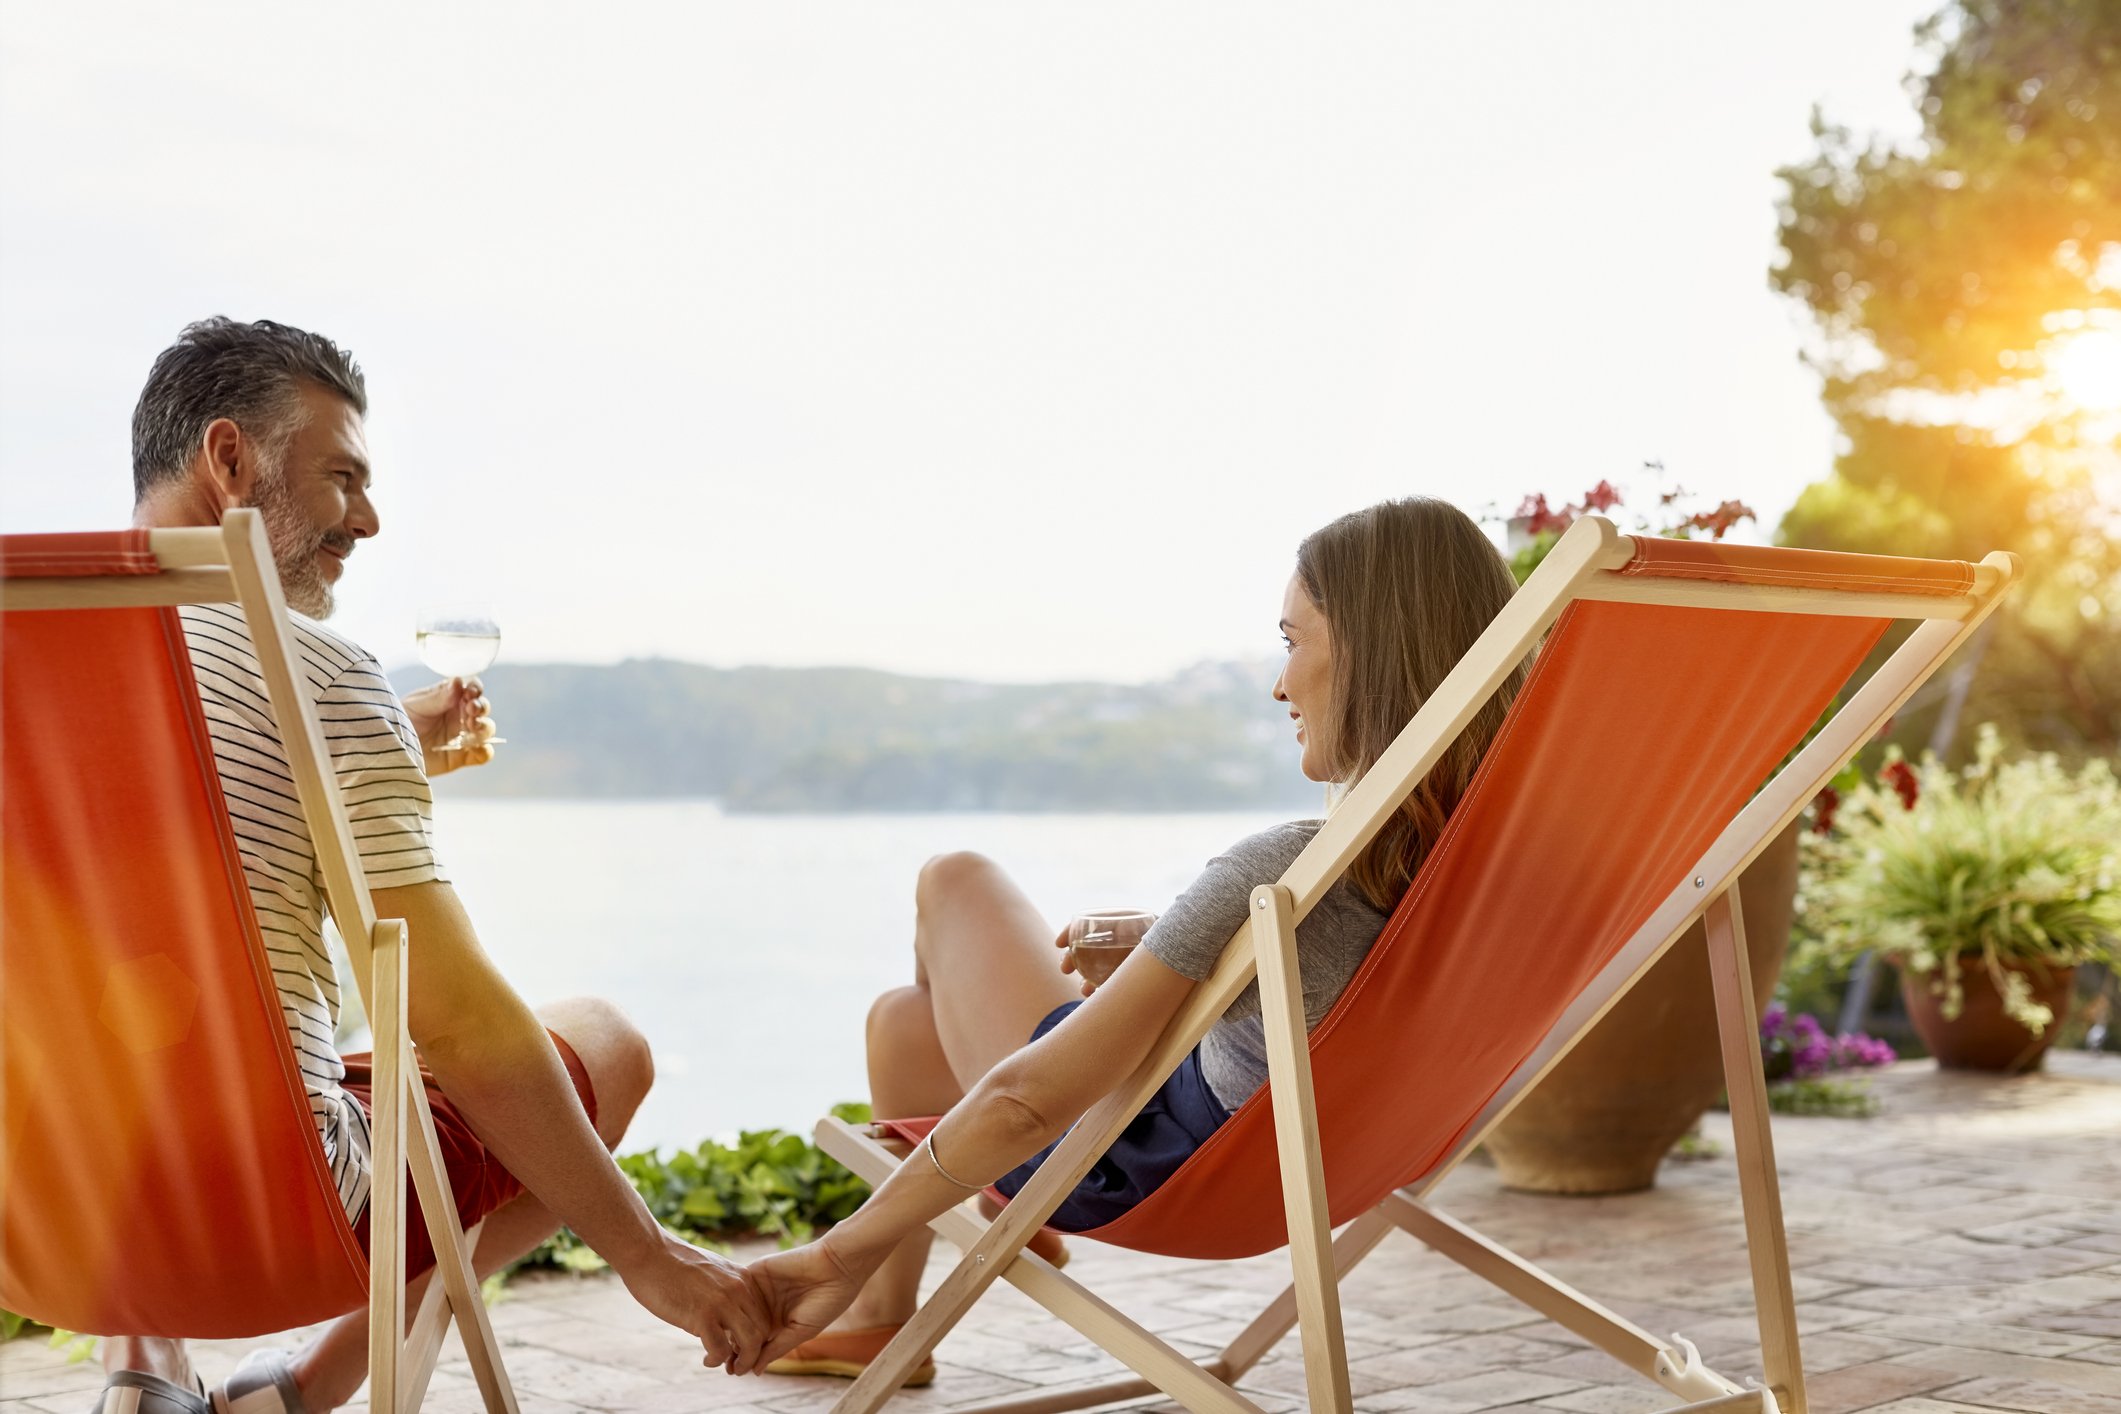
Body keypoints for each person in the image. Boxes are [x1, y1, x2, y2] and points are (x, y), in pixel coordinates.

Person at [100, 318, 769, 1414]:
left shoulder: (33, 661)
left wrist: (381, 748)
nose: (366, 518)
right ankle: (299, 1393)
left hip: (45, 1203)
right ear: (229, 460)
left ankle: (144, 1356)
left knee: (122, 1037)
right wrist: (651, 1259)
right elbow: (460, 1030)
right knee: (608, 1041)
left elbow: (142, 822)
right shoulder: (320, 674)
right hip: (274, 1209)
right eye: (343, 477)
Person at [746, 497, 1528, 1382]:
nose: (1279, 686)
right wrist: (1184, 950)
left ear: (1371, 654)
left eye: (1291, 641)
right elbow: (1351, 987)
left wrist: (836, 1254)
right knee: (902, 1022)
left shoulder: (1283, 871)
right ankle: (888, 1319)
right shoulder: (1512, 872)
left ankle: (938, 1248)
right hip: (1343, 1158)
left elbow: (1023, 1106)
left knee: (952, 878)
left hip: (1131, 1159)